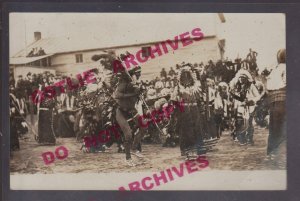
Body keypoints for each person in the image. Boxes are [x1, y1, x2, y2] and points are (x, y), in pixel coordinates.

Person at [170, 66, 206, 160]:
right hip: (184, 111)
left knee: (197, 129)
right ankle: (189, 152)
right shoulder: (178, 88)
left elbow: (199, 99)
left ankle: (199, 151)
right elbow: (174, 101)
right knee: (186, 131)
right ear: (181, 78)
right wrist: (176, 110)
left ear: (191, 78)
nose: (186, 80)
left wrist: (201, 109)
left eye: (188, 77)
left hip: (194, 110)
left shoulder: (195, 88)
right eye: (184, 78)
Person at [230, 70, 260, 145]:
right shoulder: (237, 87)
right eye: (240, 78)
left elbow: (258, 96)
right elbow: (236, 98)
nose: (241, 80)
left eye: (243, 78)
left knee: (249, 123)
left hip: (250, 107)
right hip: (240, 108)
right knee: (240, 123)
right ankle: (242, 139)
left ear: (246, 79)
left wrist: (251, 100)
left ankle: (250, 139)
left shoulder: (251, 86)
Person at [266, 49, 286, 159]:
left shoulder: (274, 70)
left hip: (273, 101)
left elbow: (268, 87)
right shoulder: (287, 68)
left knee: (274, 128)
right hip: (283, 101)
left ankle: (271, 153)